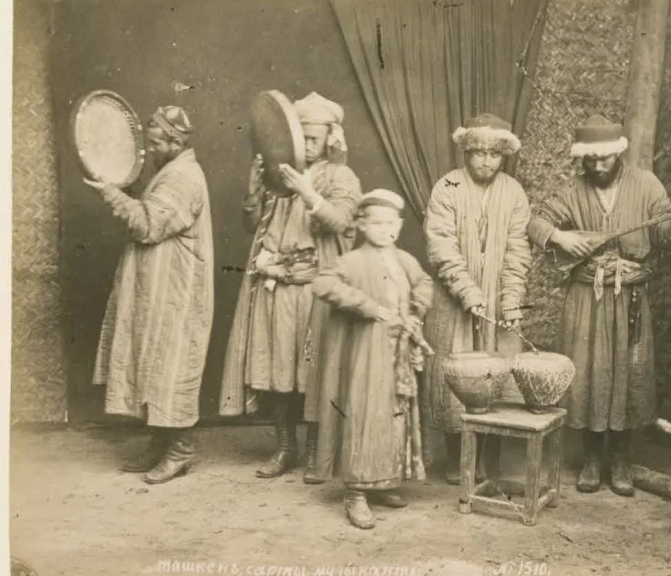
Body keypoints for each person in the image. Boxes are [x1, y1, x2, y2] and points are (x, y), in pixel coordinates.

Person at [528, 114, 671, 496]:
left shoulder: (645, 184)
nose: (599, 166)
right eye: (591, 160)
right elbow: (536, 222)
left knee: (628, 373)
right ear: (582, 158)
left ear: (618, 154)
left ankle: (619, 459)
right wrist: (561, 238)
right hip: (587, 295)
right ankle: (590, 458)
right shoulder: (572, 189)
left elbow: (662, 227)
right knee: (589, 373)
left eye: (606, 158)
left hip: (629, 294)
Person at [219, 92, 362, 480]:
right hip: (276, 288)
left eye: (314, 138)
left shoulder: (340, 177)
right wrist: (253, 191)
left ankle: (315, 450)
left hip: (315, 291)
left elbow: (342, 222)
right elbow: (252, 226)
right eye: (303, 138)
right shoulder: (277, 175)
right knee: (276, 371)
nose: (308, 146)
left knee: (313, 372)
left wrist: (307, 192)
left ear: (331, 138)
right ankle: (285, 446)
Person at [86, 105, 213, 485]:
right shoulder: (172, 171)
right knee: (154, 364)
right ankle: (161, 442)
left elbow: (147, 225)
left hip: (176, 293)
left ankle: (181, 450)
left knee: (170, 367)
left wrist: (111, 194)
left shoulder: (182, 178)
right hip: (161, 290)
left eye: (156, 142)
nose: (150, 148)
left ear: (175, 142)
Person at [308, 189, 435, 529]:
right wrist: (368, 307)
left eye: (391, 223)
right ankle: (356, 491)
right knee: (365, 414)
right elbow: (322, 284)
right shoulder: (352, 261)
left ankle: (383, 482)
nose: (385, 230)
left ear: (400, 225)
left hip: (398, 355)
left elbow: (424, 283)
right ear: (362, 226)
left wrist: (415, 310)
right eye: (377, 223)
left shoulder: (404, 259)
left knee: (393, 416)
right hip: (367, 354)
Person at [421, 113, 532, 485]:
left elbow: (518, 250)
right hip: (454, 299)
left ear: (504, 156)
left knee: (497, 373)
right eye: (479, 153)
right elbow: (441, 245)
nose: (486, 161)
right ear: (466, 151)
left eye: (494, 154)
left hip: (497, 299)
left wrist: (511, 299)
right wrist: (467, 291)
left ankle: (489, 459)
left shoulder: (513, 192)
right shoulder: (448, 186)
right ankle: (458, 458)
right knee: (457, 375)